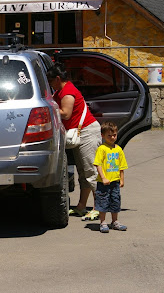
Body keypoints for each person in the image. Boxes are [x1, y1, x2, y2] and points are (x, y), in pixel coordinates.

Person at [47, 62, 101, 221]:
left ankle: (99, 207)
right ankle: (81, 206)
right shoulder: (60, 91)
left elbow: (66, 114)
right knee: (83, 172)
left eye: (51, 81)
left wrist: (49, 108)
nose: (50, 84)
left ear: (58, 78)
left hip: (87, 132)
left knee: (92, 171)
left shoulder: (67, 92)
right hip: (80, 133)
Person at [93, 122, 128, 233]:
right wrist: (103, 177)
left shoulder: (119, 150)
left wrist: (121, 179)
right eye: (109, 135)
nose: (112, 137)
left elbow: (122, 166)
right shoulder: (102, 149)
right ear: (102, 136)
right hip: (104, 182)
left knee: (115, 201)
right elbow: (98, 164)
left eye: (114, 135)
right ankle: (103, 222)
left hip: (115, 181)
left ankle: (115, 221)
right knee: (103, 201)